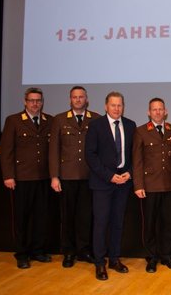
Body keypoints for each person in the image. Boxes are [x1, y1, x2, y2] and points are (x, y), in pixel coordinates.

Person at [85, 91, 136, 281]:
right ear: (106, 106)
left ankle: (114, 259)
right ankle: (100, 262)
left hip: (123, 182)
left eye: (119, 105)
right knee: (101, 223)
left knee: (117, 223)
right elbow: (90, 155)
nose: (116, 108)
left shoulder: (130, 125)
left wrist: (130, 172)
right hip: (103, 183)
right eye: (113, 105)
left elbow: (135, 154)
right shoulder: (96, 126)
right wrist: (109, 176)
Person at [133, 97, 171, 273]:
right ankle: (152, 257)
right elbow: (137, 161)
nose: (157, 112)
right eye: (154, 109)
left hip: (169, 185)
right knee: (150, 224)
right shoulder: (141, 131)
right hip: (149, 186)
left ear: (166, 111)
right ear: (149, 112)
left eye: (160, 109)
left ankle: (167, 255)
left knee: (169, 223)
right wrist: (138, 185)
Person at [0, 87, 53, 269]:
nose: (35, 104)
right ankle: (22, 254)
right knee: (22, 218)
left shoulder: (49, 121)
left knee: (41, 216)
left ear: (42, 102)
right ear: (25, 102)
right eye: (31, 100)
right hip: (22, 178)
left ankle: (38, 250)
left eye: (38, 100)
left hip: (43, 177)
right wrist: (8, 175)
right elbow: (6, 151)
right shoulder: (14, 121)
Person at [49, 85, 100, 268]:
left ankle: (84, 250)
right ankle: (68, 252)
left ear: (87, 99)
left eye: (81, 97)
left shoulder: (96, 119)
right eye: (75, 97)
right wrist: (54, 176)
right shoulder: (60, 119)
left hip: (89, 176)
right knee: (68, 216)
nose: (78, 100)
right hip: (67, 176)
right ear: (70, 99)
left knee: (86, 216)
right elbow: (54, 150)